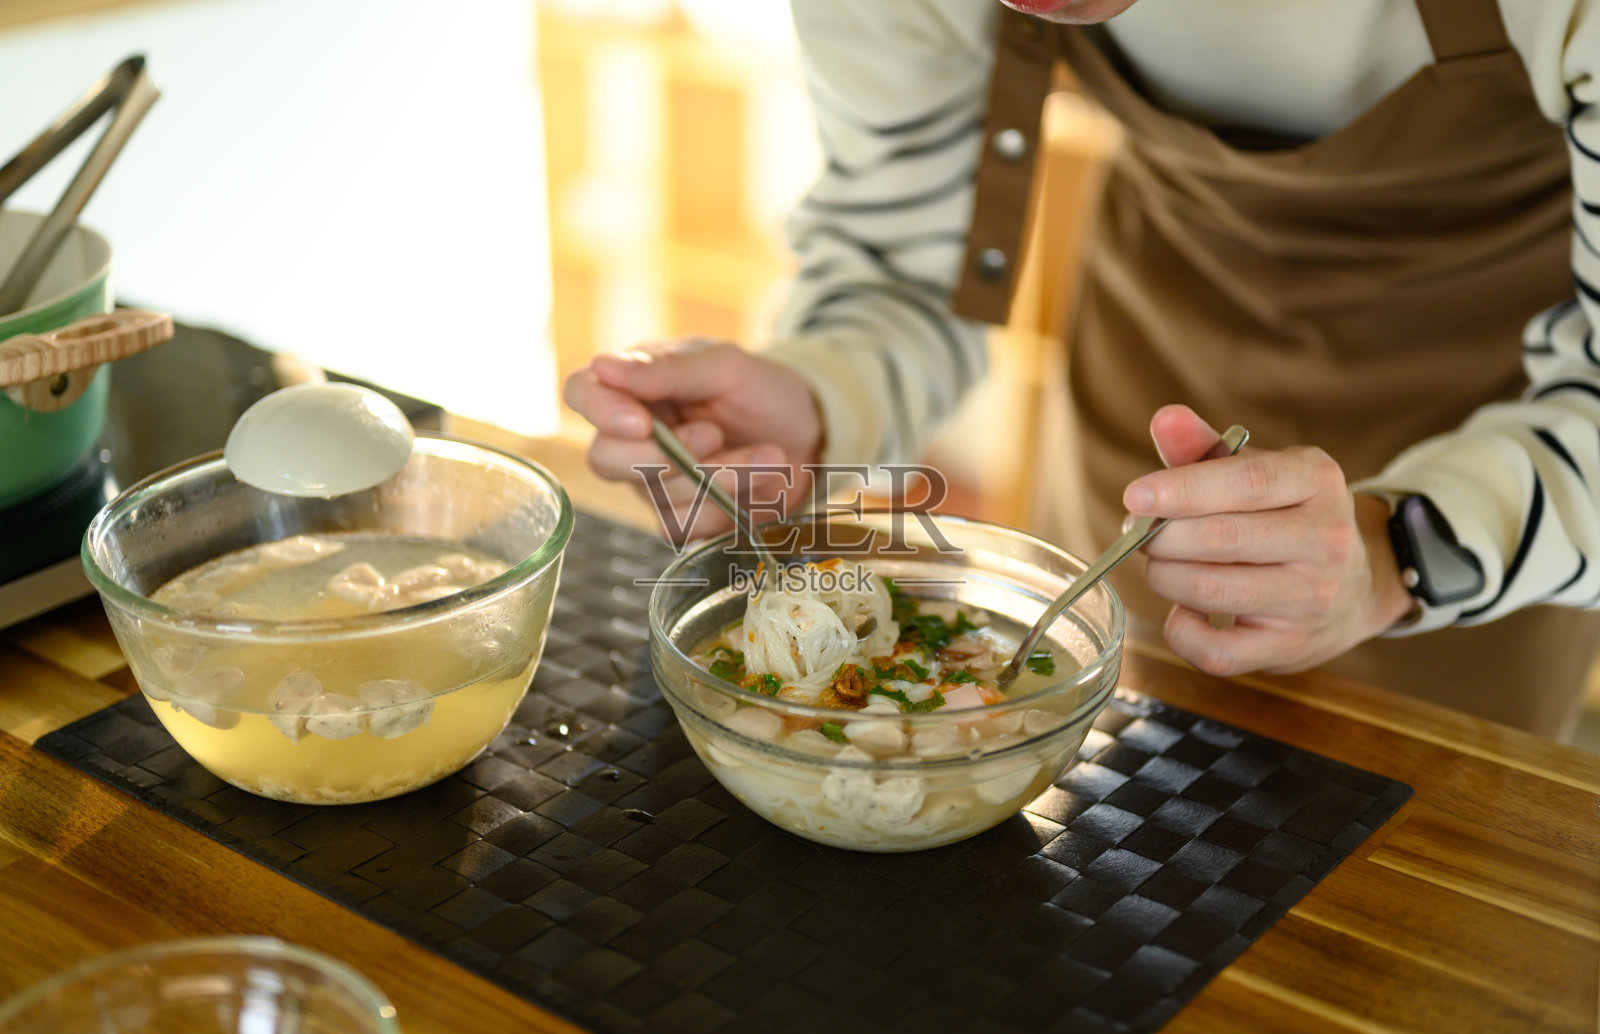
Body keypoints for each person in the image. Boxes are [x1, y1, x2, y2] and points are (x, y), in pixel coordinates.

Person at [564, 0, 1600, 741]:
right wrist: (821, 396)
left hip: (1508, 466)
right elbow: (900, 259)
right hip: (1143, 381)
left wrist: (1399, 550)